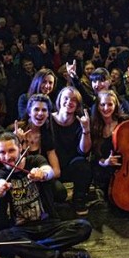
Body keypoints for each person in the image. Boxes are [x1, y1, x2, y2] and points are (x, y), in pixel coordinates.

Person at [0, 132, 92, 258]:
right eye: (2, 152)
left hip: (49, 225)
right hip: (23, 230)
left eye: (11, 151)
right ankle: (58, 254)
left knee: (84, 227)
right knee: (1, 238)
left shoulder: (35, 161)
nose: (7, 157)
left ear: (20, 148)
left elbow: (49, 170)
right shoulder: (1, 174)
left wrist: (42, 174)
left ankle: (30, 252)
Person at [51, 86, 93, 216]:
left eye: (74, 100)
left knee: (83, 165)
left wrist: (86, 130)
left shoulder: (80, 121)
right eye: (66, 98)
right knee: (59, 193)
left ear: (78, 105)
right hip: (53, 167)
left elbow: (83, 151)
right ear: (59, 100)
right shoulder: (49, 120)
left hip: (72, 166)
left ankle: (79, 200)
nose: (69, 102)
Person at [89, 90, 128, 199]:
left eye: (110, 104)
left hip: (125, 167)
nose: (106, 108)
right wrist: (105, 162)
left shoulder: (125, 122)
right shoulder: (94, 127)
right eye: (102, 104)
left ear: (115, 105)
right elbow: (96, 157)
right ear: (97, 106)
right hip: (104, 169)